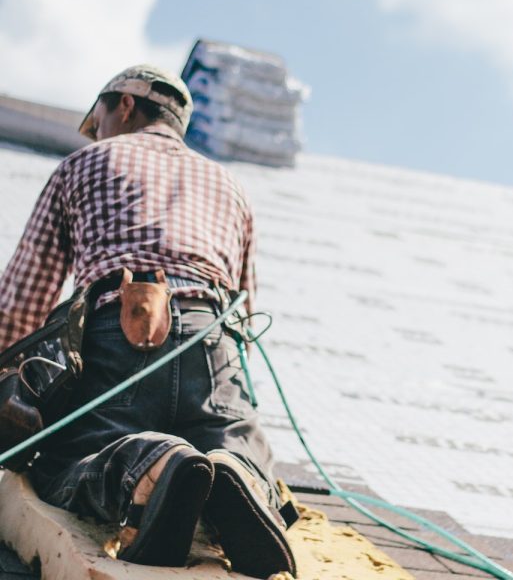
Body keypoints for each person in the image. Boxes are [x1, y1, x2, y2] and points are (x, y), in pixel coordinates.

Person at [0, 65, 296, 578]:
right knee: (231, 445)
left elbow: (23, 300)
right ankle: (236, 475)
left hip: (118, 331)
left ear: (124, 106)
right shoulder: (230, 185)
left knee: (66, 462)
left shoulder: (86, 162)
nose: (97, 131)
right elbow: (246, 311)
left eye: (98, 119)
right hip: (213, 338)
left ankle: (152, 467)